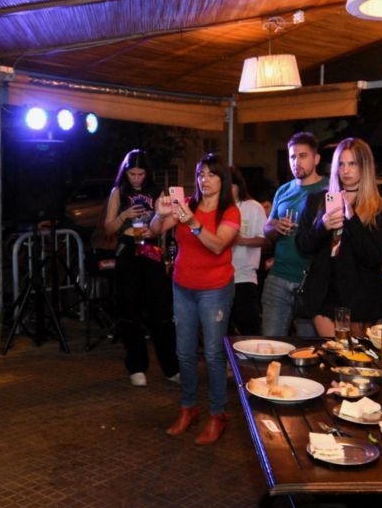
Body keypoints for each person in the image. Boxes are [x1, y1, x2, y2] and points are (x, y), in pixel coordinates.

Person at [151, 153, 240, 445]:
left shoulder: (229, 211)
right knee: (185, 352)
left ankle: (218, 414)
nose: (205, 179)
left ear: (223, 179)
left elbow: (217, 245)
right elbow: (155, 230)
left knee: (213, 354)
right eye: (201, 174)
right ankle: (188, 408)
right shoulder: (187, 204)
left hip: (215, 288)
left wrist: (193, 223)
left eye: (212, 174)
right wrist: (160, 213)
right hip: (183, 287)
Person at [295, 137, 382, 337]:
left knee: (354, 354)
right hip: (324, 293)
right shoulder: (317, 200)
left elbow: (374, 257)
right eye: (341, 164)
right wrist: (322, 226)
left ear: (364, 167)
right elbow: (302, 245)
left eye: (352, 164)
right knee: (332, 350)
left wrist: (352, 219)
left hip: (360, 296)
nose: (346, 170)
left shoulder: (379, 207)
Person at [102, 150, 179, 387]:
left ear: (148, 173)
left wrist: (154, 225)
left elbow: (166, 222)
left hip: (150, 246)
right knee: (129, 308)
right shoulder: (118, 191)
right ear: (125, 173)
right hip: (127, 247)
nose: (136, 178)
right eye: (132, 174)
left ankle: (171, 367)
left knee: (161, 309)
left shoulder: (157, 191)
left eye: (140, 174)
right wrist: (124, 214)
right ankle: (136, 366)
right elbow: (108, 228)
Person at [261, 132, 328, 337]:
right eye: (292, 156)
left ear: (316, 159)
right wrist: (275, 227)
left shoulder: (328, 190)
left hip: (312, 280)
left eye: (303, 156)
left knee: (310, 347)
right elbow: (267, 229)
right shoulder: (283, 191)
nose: (296, 162)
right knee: (270, 343)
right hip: (279, 277)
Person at [229, 167, 267, 335]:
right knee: (223, 332)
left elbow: (264, 239)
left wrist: (241, 240)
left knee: (249, 331)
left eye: (231, 185)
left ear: (239, 185)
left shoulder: (253, 207)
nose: (228, 190)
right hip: (219, 279)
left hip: (244, 276)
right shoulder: (216, 208)